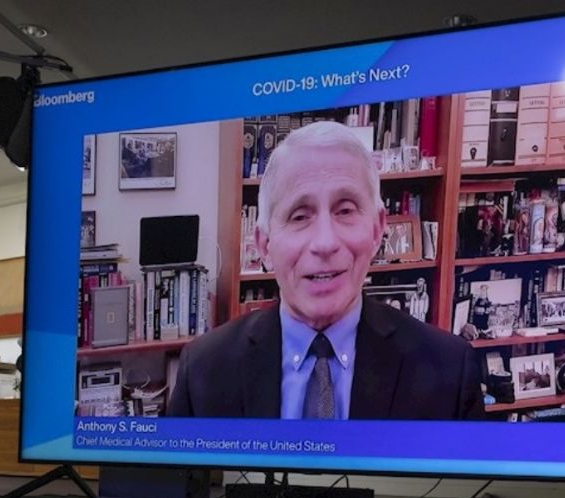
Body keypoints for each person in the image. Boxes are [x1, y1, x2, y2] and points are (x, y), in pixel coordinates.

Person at [167, 121, 484, 420]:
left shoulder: (450, 372)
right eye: (299, 216)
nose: (325, 242)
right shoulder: (203, 370)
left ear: (377, 229)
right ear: (264, 246)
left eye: (345, 210)